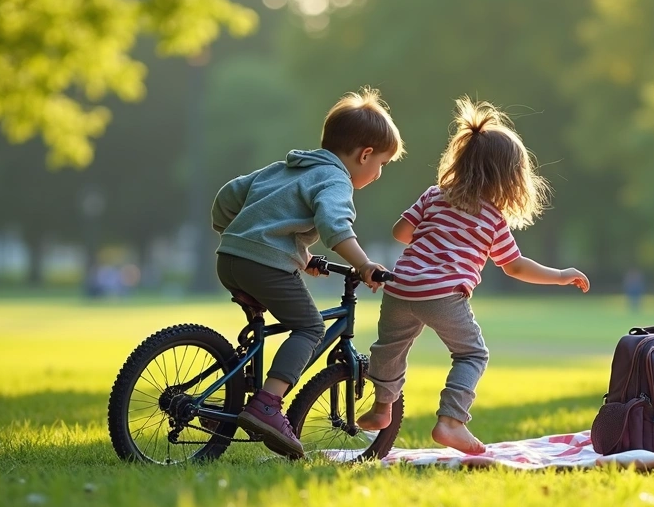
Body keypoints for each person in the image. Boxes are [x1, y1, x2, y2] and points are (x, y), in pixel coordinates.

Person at [357, 97, 590, 455]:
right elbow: (514, 265)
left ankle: (382, 407)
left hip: (400, 286)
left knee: (390, 347)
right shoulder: (491, 218)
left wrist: (431, 233)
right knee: (471, 355)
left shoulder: (434, 196)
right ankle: (451, 421)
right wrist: (560, 275)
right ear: (507, 177)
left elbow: (400, 233)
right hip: (443, 295)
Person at [210, 87, 403, 459]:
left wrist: (272, 246)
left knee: (263, 332)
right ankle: (266, 404)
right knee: (311, 327)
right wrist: (364, 265)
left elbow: (229, 196)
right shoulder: (334, 180)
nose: (378, 173)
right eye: (381, 164)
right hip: (263, 264)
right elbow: (335, 226)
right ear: (364, 155)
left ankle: (229, 403)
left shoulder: (287, 168)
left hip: (230, 257)